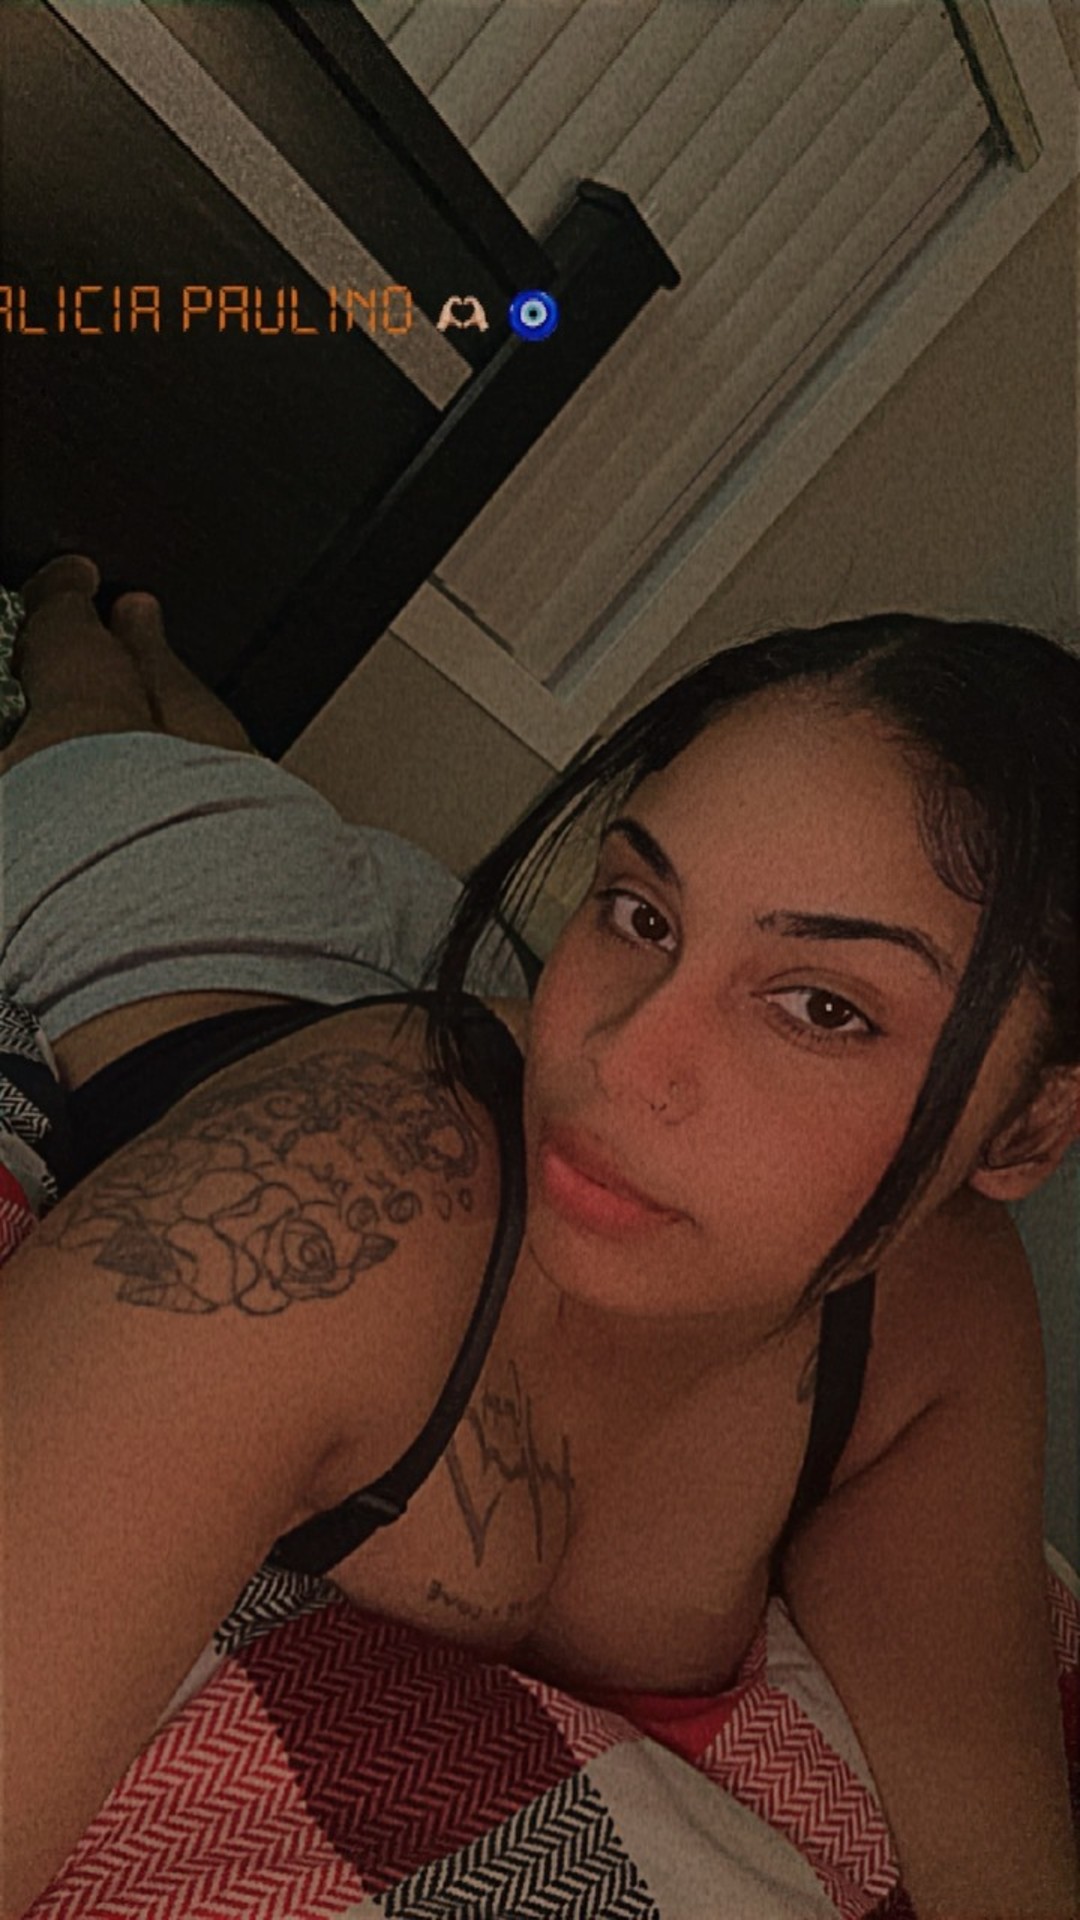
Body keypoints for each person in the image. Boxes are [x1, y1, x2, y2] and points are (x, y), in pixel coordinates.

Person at [1, 556, 1077, 1918]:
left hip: (395, 980)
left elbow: (998, 1858)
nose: (618, 1060)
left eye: (822, 1008)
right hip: (154, 920)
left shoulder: (935, 1308)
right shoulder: (296, 1239)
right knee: (103, 732)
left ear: (1024, 1131)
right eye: (640, 912)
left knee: (247, 774)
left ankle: (161, 645)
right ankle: (70, 609)